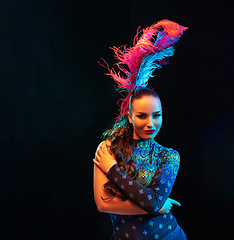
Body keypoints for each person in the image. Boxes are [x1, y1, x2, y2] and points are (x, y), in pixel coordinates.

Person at [93, 20, 187, 240]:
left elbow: (154, 202)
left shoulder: (169, 156)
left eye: (157, 115)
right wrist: (154, 205)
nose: (150, 124)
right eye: (142, 116)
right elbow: (102, 204)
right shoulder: (107, 149)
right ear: (130, 116)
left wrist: (113, 171)